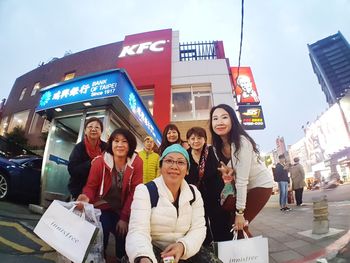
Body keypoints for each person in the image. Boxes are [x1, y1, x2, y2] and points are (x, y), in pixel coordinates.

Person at [124, 144, 221, 263]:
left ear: (187, 170)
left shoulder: (194, 194)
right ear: (160, 166)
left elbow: (199, 229)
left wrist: (182, 246)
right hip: (151, 248)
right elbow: (138, 230)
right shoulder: (145, 191)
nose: (174, 166)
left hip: (184, 248)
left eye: (180, 163)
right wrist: (144, 257)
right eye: (169, 161)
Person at [206, 104, 273, 239]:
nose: (219, 122)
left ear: (232, 120)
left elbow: (242, 180)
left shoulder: (241, 142)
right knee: (235, 223)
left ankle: (250, 255)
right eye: (215, 118)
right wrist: (228, 171)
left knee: (238, 223)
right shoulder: (216, 147)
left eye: (224, 117)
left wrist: (240, 213)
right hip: (245, 187)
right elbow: (235, 169)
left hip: (260, 185)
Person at [77, 128, 143, 260]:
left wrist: (124, 218)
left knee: (124, 235)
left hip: (124, 208)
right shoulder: (99, 162)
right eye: (116, 141)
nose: (119, 145)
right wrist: (85, 197)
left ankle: (121, 258)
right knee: (103, 229)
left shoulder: (137, 162)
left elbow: (134, 192)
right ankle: (99, 257)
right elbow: (91, 186)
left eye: (124, 141)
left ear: (130, 145)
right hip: (103, 206)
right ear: (110, 143)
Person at [67, 117, 107, 199]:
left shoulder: (106, 147)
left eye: (97, 127)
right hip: (80, 189)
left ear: (101, 132)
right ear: (85, 131)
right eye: (90, 127)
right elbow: (72, 170)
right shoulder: (79, 147)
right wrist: (90, 164)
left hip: (100, 190)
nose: (93, 129)